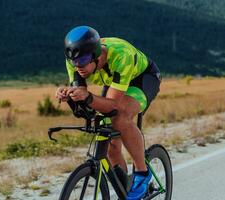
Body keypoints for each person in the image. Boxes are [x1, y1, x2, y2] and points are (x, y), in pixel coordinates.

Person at [55, 25, 161, 200]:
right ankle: (125, 190)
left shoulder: (121, 55)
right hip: (115, 84)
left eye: (83, 60)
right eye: (74, 61)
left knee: (119, 117)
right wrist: (70, 97)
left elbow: (113, 106)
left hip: (142, 79)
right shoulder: (75, 60)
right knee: (109, 141)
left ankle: (142, 173)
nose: (78, 66)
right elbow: (85, 104)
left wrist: (88, 97)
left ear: (96, 55)